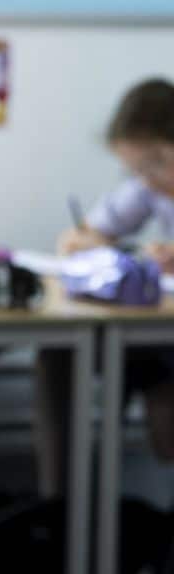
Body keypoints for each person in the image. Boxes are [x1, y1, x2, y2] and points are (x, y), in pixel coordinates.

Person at [39, 78, 174, 494]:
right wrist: (92, 244)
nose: (148, 179)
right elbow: (78, 239)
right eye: (136, 170)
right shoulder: (149, 190)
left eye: (157, 164)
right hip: (154, 333)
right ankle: (65, 506)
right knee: (61, 356)